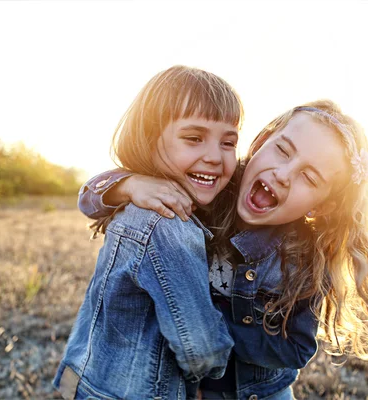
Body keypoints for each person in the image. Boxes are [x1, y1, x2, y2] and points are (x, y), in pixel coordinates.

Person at [80, 100, 368, 399]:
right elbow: (90, 198)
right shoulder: (205, 191)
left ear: (321, 206)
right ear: (261, 142)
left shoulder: (304, 257)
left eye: (310, 178)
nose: (282, 174)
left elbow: (297, 347)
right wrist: (127, 185)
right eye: (282, 150)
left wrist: (210, 326)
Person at [53, 65, 244, 399]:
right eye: (194, 138)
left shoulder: (153, 201)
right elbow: (200, 348)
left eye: (228, 142)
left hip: (92, 379)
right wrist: (211, 377)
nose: (215, 156)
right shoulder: (164, 220)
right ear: (149, 138)